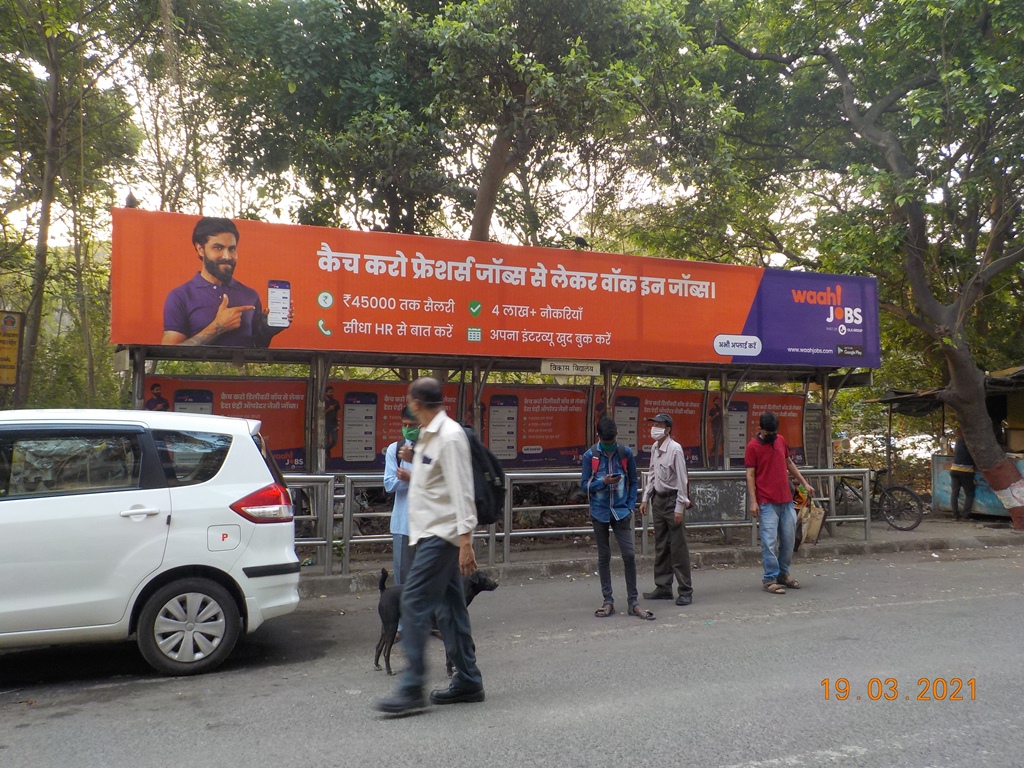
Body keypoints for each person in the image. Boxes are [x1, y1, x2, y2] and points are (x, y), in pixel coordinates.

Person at [376, 377, 484, 715]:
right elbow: (429, 482)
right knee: (450, 610)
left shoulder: (449, 437)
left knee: (413, 600)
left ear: (417, 402)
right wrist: (413, 458)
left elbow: (462, 489)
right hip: (425, 534)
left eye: (410, 402)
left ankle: (411, 688)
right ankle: (468, 679)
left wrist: (466, 540)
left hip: (443, 535)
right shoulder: (426, 437)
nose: (408, 409)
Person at [162, 217, 292, 347]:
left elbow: (255, 353)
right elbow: (168, 354)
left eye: (232, 249)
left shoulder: (250, 295)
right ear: (201, 249)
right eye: (218, 248)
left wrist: (266, 332)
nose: (227, 256)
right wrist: (218, 327)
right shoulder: (180, 296)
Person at [581, 417, 653, 620]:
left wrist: (630, 505)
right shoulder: (590, 456)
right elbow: (583, 485)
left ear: (617, 437)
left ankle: (633, 602)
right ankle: (608, 601)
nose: (610, 445)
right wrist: (602, 482)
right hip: (599, 512)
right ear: (599, 437)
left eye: (612, 442)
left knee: (629, 555)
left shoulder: (625, 453)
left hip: (621, 511)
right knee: (604, 557)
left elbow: (633, 480)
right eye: (606, 443)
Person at [744, 411, 809, 595]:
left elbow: (789, 463)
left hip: (786, 499)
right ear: (761, 429)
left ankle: (783, 573)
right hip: (766, 502)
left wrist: (804, 483)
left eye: (774, 433)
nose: (772, 436)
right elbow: (750, 475)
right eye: (768, 434)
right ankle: (769, 578)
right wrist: (753, 501)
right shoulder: (753, 447)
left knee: (788, 540)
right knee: (769, 541)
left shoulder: (780, 440)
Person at [639, 414, 695, 606]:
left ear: (668, 429)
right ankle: (663, 586)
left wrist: (680, 507)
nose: (654, 427)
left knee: (677, 546)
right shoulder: (655, 448)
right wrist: (645, 498)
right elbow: (652, 474)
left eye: (659, 425)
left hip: (673, 501)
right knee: (661, 545)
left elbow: (682, 480)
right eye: (653, 424)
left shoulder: (675, 449)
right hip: (658, 500)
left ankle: (685, 590)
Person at [383, 406, 418, 584]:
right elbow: (389, 483)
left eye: (412, 425)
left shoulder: (434, 448)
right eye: (404, 424)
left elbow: (442, 480)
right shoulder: (395, 449)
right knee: (402, 581)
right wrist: (408, 480)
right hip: (403, 524)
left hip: (429, 525)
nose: (407, 428)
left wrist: (411, 476)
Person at [950, 429, 976, 521]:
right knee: (969, 494)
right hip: (966, 471)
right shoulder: (971, 442)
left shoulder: (958, 440)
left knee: (954, 493)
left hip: (954, 469)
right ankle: (965, 515)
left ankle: (955, 515)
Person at [324, 386, 340, 459]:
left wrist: (338, 423)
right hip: (325, 424)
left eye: (332, 392)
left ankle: (326, 449)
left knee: (334, 441)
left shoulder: (335, 402)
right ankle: (328, 458)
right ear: (326, 393)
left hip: (333, 424)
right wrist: (329, 409)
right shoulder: (323, 402)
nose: (331, 393)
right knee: (326, 441)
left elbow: (338, 413)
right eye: (330, 392)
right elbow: (320, 414)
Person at [709, 396, 724, 469]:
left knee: (720, 443)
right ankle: (712, 456)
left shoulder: (721, 410)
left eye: (719, 401)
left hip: (720, 428)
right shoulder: (712, 410)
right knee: (715, 443)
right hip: (714, 428)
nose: (717, 402)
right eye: (716, 401)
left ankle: (717, 456)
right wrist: (715, 415)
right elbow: (709, 419)